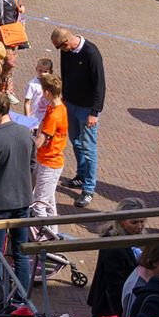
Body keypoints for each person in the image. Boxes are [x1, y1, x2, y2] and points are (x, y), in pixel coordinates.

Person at [0, 90, 36, 285]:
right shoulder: (25, 133)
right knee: (20, 252)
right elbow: (32, 165)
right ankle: (21, 297)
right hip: (23, 201)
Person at [52, 28, 105, 209]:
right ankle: (81, 176)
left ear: (66, 43)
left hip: (87, 109)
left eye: (60, 48)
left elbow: (100, 85)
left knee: (89, 147)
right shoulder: (67, 52)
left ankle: (89, 188)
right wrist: (64, 97)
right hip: (71, 104)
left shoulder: (91, 53)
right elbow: (65, 73)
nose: (61, 52)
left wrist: (95, 112)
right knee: (76, 142)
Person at [86, 199, 148, 317]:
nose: (139, 226)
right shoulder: (113, 246)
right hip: (109, 308)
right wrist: (121, 313)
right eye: (134, 222)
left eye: (142, 221)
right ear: (122, 222)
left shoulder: (135, 237)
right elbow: (114, 285)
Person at [31, 74, 68, 239]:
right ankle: (54, 233)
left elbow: (40, 142)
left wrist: (26, 136)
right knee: (49, 201)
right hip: (47, 160)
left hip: (49, 162)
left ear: (46, 93)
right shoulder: (57, 107)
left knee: (39, 204)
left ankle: (44, 239)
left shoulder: (54, 115)